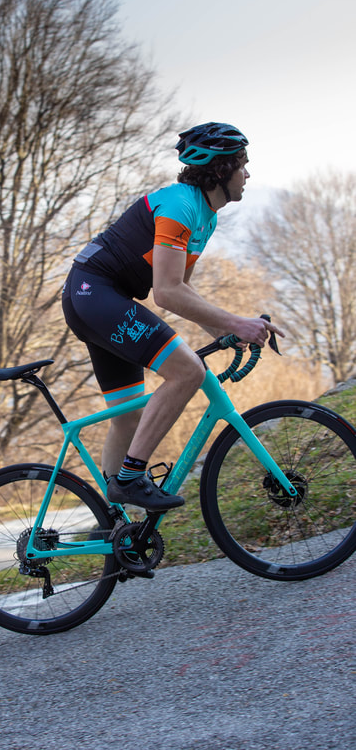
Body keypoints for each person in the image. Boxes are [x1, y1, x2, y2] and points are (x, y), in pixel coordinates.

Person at [62, 122, 284, 512]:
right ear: (220, 169)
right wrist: (236, 322)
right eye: (242, 165)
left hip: (97, 299)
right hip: (94, 293)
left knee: (129, 413)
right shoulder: (180, 204)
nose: (248, 174)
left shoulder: (205, 216)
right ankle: (130, 478)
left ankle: (113, 526)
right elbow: (165, 293)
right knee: (187, 371)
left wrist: (223, 330)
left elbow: (183, 289)